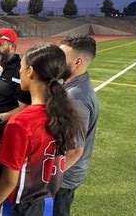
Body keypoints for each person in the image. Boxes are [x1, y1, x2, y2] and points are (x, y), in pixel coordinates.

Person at [0, 44, 82, 216]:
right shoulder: (66, 113)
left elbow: (9, 180)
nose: (20, 72)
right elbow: (75, 151)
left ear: (30, 72)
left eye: (22, 68)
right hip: (47, 202)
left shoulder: (21, 122)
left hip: (19, 205)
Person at [0, 28, 32, 201]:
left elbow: (25, 107)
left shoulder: (20, 71)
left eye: (0, 44)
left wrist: (0, 117)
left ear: (13, 47)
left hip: (2, 135)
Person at [53, 36, 99, 216]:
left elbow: (75, 151)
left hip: (64, 178)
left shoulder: (75, 97)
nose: (56, 62)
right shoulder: (76, 86)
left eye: (61, 57)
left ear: (77, 62)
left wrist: (47, 177)